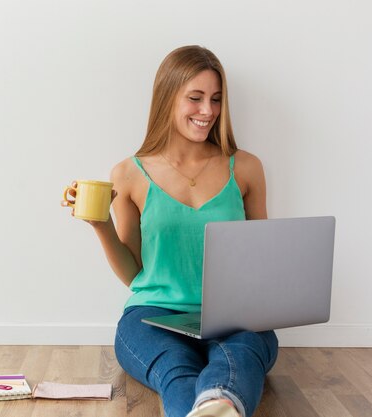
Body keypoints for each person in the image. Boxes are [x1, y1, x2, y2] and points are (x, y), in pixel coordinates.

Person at [62, 45, 278, 417]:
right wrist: (101, 224)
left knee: (236, 359)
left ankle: (217, 406)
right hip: (152, 316)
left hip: (235, 320)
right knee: (177, 372)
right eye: (195, 98)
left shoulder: (245, 168)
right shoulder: (128, 174)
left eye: (216, 99)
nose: (208, 111)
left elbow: (262, 257)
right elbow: (134, 274)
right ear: (167, 98)